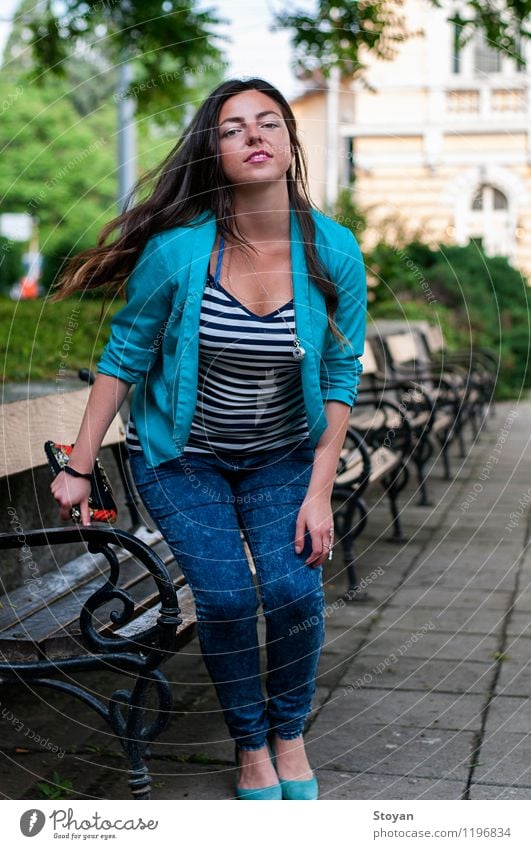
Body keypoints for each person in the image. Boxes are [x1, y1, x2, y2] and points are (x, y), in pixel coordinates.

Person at [49, 77, 366, 800]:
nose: (253, 135)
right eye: (232, 128)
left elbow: (341, 374)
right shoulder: (180, 253)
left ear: (289, 142)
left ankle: (289, 734)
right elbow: (123, 356)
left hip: (283, 455)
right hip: (181, 458)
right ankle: (249, 746)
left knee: (291, 589)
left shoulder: (333, 250)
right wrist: (78, 462)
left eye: (268, 122)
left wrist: (319, 492)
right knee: (225, 599)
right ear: (213, 152)